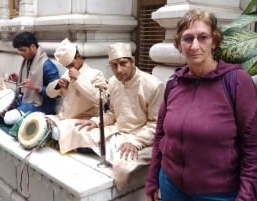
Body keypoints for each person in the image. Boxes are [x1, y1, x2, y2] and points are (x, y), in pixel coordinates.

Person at [145, 9, 257, 201]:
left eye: (203, 37)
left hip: (218, 194)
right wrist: (152, 178)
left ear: (214, 41)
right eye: (188, 38)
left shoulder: (237, 82)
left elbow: (253, 146)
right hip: (171, 185)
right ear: (179, 44)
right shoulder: (173, 83)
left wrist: (247, 196)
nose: (195, 45)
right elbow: (161, 135)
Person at [55, 42, 164, 190]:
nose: (118, 70)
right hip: (117, 131)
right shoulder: (113, 82)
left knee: (123, 162)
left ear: (133, 61)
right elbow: (112, 113)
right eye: (114, 65)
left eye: (123, 63)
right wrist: (96, 121)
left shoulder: (153, 85)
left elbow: (156, 124)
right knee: (74, 130)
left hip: (138, 135)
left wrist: (136, 142)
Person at [44, 38, 108, 140]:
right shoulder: (67, 74)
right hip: (63, 118)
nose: (70, 68)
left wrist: (79, 78)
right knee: (37, 122)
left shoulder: (96, 74)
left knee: (56, 133)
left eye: (71, 65)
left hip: (83, 120)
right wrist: (57, 85)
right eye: (67, 67)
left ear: (78, 57)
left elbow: (101, 100)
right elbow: (49, 93)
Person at [3, 31, 60, 125]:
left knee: (9, 118)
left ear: (32, 47)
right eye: (19, 50)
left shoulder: (47, 66)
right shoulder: (28, 61)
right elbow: (29, 82)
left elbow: (57, 93)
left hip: (41, 106)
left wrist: (37, 87)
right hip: (25, 101)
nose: (21, 53)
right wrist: (18, 79)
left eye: (23, 50)